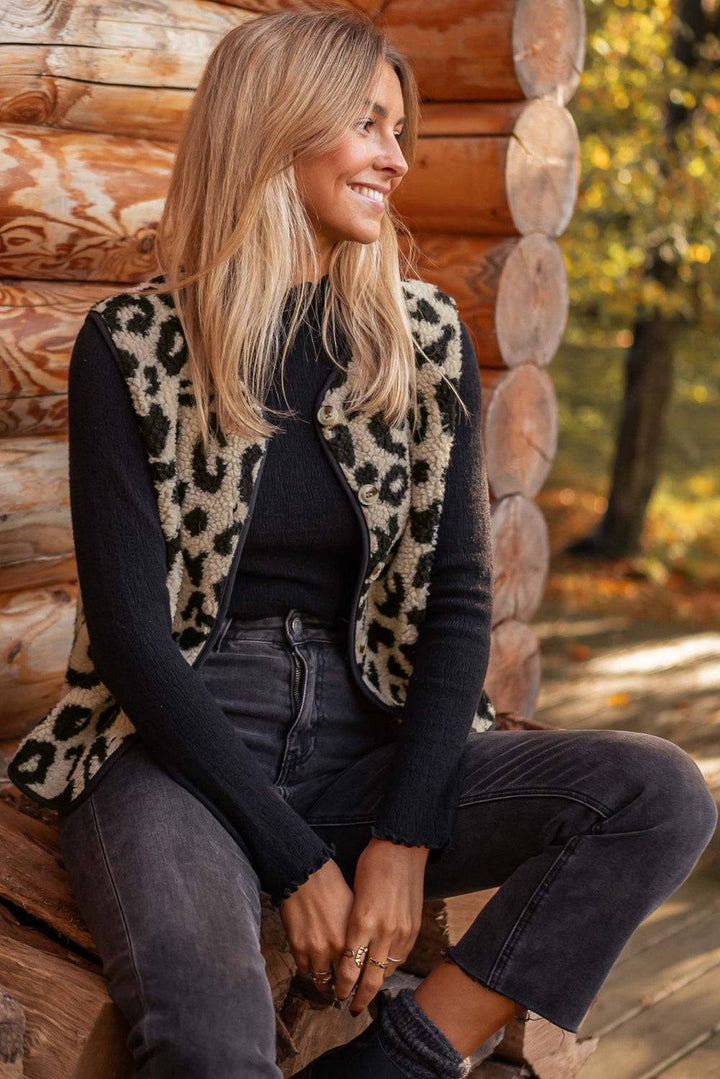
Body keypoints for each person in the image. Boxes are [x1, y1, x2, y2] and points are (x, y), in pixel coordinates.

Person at [9, 6, 717, 1077]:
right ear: (273, 126)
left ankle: (401, 1059)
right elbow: (132, 639)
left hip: (365, 734)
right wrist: (300, 864)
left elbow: (460, 599)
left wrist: (405, 834)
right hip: (174, 749)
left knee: (659, 792)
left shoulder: (422, 339)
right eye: (370, 125)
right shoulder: (135, 346)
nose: (397, 156)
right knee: (206, 1036)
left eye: (403, 129)